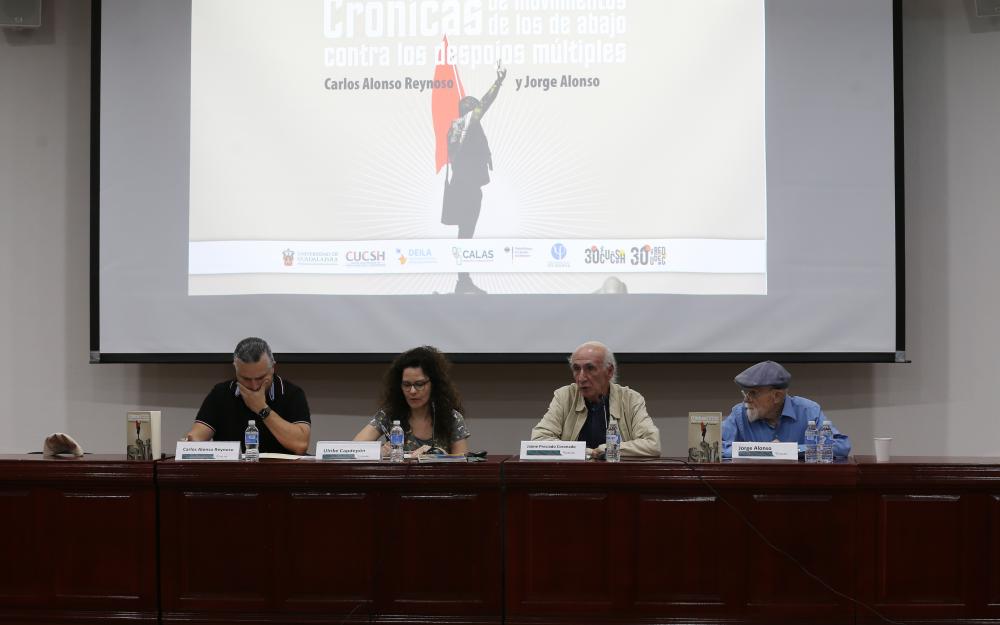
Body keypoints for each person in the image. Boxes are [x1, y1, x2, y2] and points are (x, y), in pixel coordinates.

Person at [531, 341, 661, 459]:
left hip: (618, 475)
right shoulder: (564, 396)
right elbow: (539, 440)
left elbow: (652, 444)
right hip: (572, 474)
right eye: (576, 369)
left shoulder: (630, 399)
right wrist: (585, 452)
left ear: (609, 371)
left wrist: (605, 450)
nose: (581, 378)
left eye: (590, 368)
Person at [185, 337, 311, 455]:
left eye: (260, 378)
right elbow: (196, 437)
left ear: (273, 367)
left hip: (281, 470)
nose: (254, 386)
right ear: (236, 370)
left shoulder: (292, 393)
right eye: (246, 379)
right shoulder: (221, 393)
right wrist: (191, 443)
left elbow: (300, 444)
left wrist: (262, 408)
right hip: (233, 470)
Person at [443, 63, 507, 294]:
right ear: (467, 109)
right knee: (465, 235)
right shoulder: (466, 123)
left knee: (465, 234)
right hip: (467, 188)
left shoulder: (456, 129)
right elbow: (485, 104)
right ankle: (463, 279)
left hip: (462, 186)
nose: (476, 107)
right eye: (472, 104)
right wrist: (498, 83)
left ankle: (463, 279)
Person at [353, 346, 470, 455]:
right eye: (406, 385)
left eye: (419, 384)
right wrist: (378, 451)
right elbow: (354, 448)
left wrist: (438, 454)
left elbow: (463, 462)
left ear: (434, 384)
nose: (412, 391)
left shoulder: (452, 418)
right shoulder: (389, 414)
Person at [721, 360, 851, 459]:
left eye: (753, 393)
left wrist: (790, 450)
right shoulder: (740, 413)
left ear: (777, 396)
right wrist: (761, 450)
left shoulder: (808, 411)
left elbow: (841, 446)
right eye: (747, 393)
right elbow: (715, 447)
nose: (746, 399)